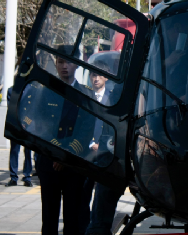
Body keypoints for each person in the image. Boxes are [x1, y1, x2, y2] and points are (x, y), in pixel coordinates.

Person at [33, 46, 93, 235]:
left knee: (73, 217)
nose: (64, 66)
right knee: (49, 217)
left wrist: (66, 155)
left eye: (68, 62)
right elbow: (40, 123)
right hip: (49, 162)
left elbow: (87, 128)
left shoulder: (85, 94)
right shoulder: (46, 90)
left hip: (74, 163)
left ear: (77, 64)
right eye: (60, 62)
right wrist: (56, 153)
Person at [85, 52, 126, 235]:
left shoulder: (113, 95)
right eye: (92, 75)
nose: (95, 79)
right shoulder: (85, 94)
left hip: (106, 153)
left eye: (99, 75)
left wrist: (103, 145)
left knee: (103, 197)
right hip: (88, 153)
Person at [6, 82, 33, 187]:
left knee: (28, 152)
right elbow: (12, 108)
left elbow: (32, 109)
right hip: (16, 125)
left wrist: (26, 122)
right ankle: (13, 177)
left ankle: (27, 177)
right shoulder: (11, 90)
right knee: (14, 151)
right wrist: (20, 122)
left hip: (28, 126)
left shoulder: (32, 90)